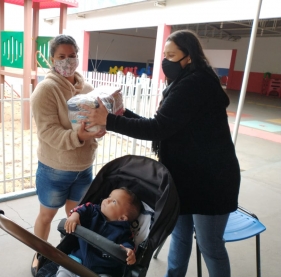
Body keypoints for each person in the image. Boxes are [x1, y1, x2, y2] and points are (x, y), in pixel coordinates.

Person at [80, 30, 241, 277]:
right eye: (164, 54)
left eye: (171, 55)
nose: (165, 60)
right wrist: (122, 114)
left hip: (212, 182)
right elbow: (163, 126)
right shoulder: (183, 82)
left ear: (188, 57)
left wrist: (110, 121)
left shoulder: (195, 84)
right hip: (185, 178)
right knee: (180, 237)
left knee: (210, 246)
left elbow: (158, 128)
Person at [30, 34, 106, 276]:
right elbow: (48, 132)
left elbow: (92, 122)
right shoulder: (45, 90)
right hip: (55, 168)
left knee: (77, 218)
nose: (67, 61)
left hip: (83, 168)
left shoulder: (88, 89)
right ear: (52, 59)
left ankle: (72, 253)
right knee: (46, 215)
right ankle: (39, 253)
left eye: (72, 56)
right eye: (61, 57)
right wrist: (80, 137)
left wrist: (97, 130)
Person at [56, 187, 142, 277]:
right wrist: (74, 216)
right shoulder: (93, 211)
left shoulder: (123, 232)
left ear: (122, 218)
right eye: (109, 197)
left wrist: (129, 252)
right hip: (76, 260)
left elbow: (128, 244)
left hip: (101, 271)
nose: (107, 200)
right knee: (64, 272)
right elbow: (82, 208)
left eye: (114, 202)